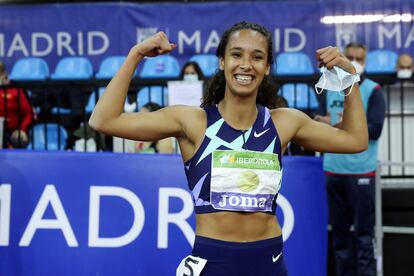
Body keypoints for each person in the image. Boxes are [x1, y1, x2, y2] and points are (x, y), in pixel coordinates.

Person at [89, 21, 368, 275]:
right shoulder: (192, 121)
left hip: (268, 260)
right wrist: (135, 55)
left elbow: (355, 141)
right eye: (237, 55)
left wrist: (348, 77)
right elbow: (104, 119)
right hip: (214, 261)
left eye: (257, 57)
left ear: (268, 66)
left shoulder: (284, 122)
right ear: (222, 62)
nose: (246, 64)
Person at [315, 42, 385, 276]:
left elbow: (374, 130)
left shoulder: (374, 90)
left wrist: (346, 124)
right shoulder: (330, 86)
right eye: (351, 56)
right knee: (340, 237)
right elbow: (324, 121)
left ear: (365, 62)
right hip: (333, 169)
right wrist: (324, 123)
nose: (354, 61)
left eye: (359, 58)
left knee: (364, 236)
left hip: (361, 171)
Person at [0, 60, 35, 148]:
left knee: (19, 138)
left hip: (14, 131)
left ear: (4, 75)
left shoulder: (16, 89)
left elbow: (29, 113)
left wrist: (22, 129)